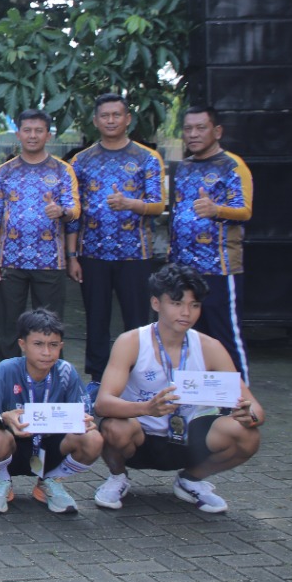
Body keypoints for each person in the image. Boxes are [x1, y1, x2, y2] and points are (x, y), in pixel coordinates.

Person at [93, 263, 265, 513]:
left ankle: (191, 480)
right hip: (140, 436)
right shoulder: (131, 342)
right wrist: (147, 408)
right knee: (113, 427)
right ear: (156, 303)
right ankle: (118, 477)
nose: (186, 312)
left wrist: (249, 415)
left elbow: (256, 409)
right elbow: (103, 403)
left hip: (190, 439)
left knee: (248, 436)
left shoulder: (210, 347)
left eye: (194, 305)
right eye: (176, 303)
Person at [68, 93, 166, 384]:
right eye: (105, 115)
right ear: (96, 121)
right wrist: (72, 256)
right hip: (92, 253)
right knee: (96, 318)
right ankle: (98, 378)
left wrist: (131, 204)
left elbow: (158, 205)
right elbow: (73, 212)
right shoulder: (81, 160)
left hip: (135, 254)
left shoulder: (147, 158)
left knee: (137, 320)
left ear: (127, 119)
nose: (110, 120)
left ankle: (141, 376)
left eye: (116, 115)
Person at [0, 308, 101, 515]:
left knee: (93, 439)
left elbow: (85, 417)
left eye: (53, 345)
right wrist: (4, 418)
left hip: (52, 448)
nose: (46, 352)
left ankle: (51, 481)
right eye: (38, 344)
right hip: (15, 447)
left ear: (61, 346)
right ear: (22, 344)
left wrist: (85, 422)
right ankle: (2, 481)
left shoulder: (67, 371)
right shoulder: (6, 369)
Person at [0, 109, 80, 359]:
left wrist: (60, 211)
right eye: (27, 130)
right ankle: (8, 375)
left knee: (50, 327)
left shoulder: (62, 170)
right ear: (18, 134)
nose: (32, 135)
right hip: (9, 261)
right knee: (8, 326)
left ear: (48, 135)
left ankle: (50, 376)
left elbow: (74, 211)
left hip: (50, 261)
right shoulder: (4, 171)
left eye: (39, 130)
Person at [168, 105, 254, 378]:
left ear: (217, 131)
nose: (193, 134)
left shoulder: (232, 165)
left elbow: (245, 211)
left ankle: (240, 396)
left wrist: (216, 210)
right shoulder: (184, 167)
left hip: (219, 267)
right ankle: (198, 396)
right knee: (189, 336)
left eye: (200, 128)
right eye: (188, 129)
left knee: (224, 334)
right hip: (183, 269)